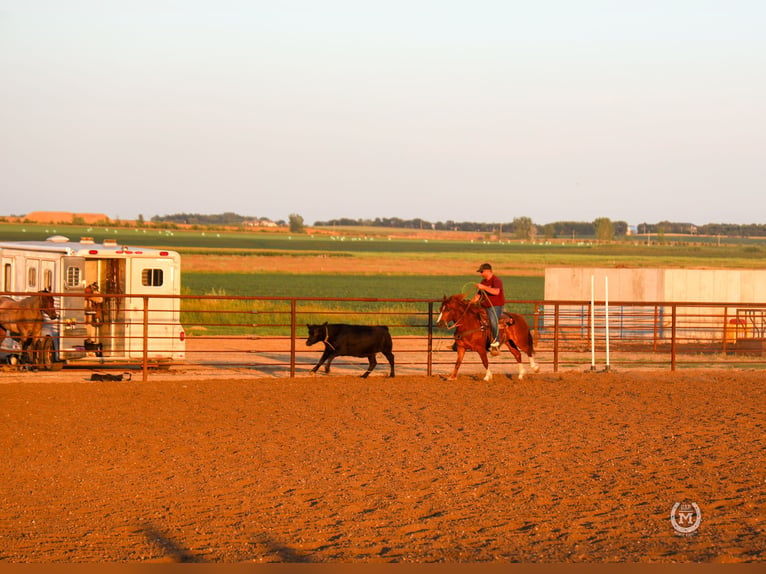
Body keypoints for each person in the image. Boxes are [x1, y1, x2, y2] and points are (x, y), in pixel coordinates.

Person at [472, 262, 505, 355]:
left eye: (482, 272)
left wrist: (484, 287)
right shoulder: (483, 282)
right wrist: (470, 304)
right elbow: (478, 295)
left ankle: (496, 342)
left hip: (495, 306)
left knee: (493, 320)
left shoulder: (496, 280)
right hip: (484, 306)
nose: (481, 274)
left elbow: (496, 292)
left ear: (488, 271)